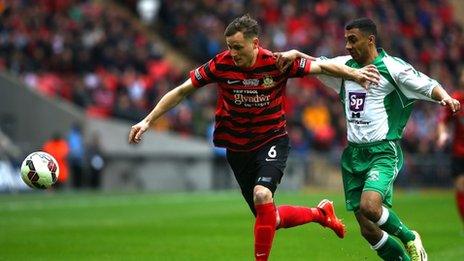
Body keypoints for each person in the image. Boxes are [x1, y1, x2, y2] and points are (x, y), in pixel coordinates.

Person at [128, 14, 380, 261]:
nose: (233, 53)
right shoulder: (221, 63)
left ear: (255, 43)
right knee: (270, 218)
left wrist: (354, 74)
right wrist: (147, 120)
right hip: (237, 149)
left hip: (272, 140)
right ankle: (320, 214)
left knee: (262, 195)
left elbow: (321, 66)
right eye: (230, 47)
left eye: (238, 47)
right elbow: (182, 90)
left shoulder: (276, 62)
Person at [276, 17, 461, 261]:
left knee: (370, 206)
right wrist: (295, 53)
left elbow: (426, 83)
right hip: (353, 155)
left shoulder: (393, 68)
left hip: (383, 152)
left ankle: (409, 237)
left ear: (370, 39)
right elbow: (318, 64)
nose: (348, 46)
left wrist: (445, 97)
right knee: (368, 229)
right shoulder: (344, 67)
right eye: (346, 41)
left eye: (353, 40)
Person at [437, 68, 464, 231]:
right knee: (461, 188)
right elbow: (443, 121)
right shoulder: (456, 99)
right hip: (459, 152)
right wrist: (442, 135)